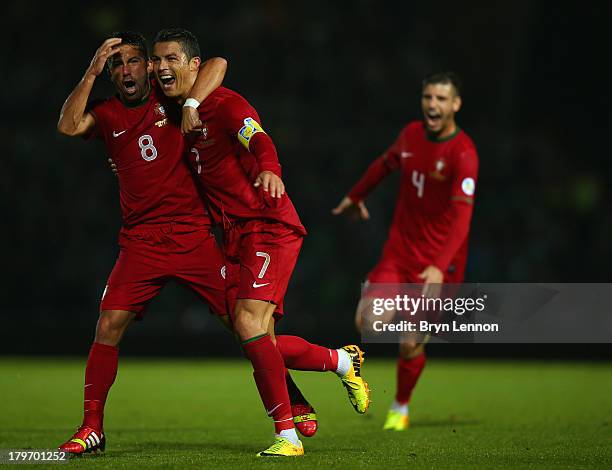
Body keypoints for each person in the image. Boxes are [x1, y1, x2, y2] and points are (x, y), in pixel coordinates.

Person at [54, 31, 315, 455]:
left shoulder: (172, 97)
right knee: (108, 325)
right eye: (117, 65)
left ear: (150, 68)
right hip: (140, 242)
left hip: (194, 236)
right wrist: (90, 70)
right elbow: (67, 125)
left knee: (247, 327)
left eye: (135, 61)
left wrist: (191, 103)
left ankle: (293, 394)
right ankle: (91, 428)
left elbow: (217, 64)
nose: (127, 70)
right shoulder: (106, 114)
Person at [151, 28, 371, 457]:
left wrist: (270, 168)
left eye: (170, 58)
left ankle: (286, 437)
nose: (161, 67)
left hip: (266, 223)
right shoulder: (177, 112)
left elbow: (258, 137)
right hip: (233, 234)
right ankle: (342, 362)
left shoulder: (223, 103)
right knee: (251, 336)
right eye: (156, 59)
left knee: (251, 327)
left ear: (194, 66)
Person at [333, 72, 479, 431]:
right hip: (399, 256)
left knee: (410, 343)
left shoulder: (463, 153)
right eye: (428, 97)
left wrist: (439, 267)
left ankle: (400, 405)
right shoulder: (411, 135)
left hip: (440, 266)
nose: (433, 104)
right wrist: (356, 195)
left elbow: (462, 218)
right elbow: (384, 164)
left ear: (455, 105)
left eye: (442, 99)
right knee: (368, 322)